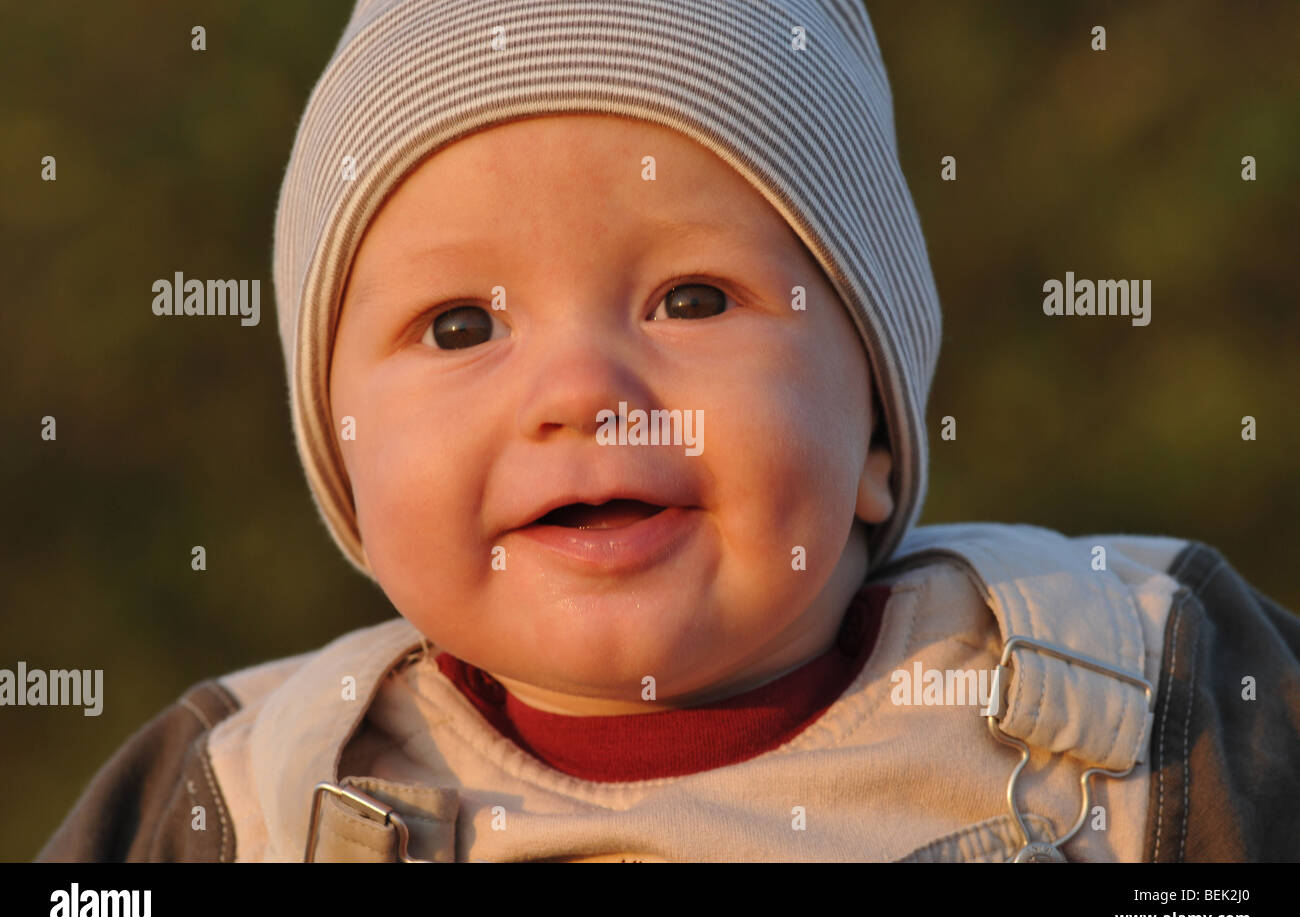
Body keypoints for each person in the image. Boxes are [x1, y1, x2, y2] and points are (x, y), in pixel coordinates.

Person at [37, 0, 1300, 863]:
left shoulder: (1153, 695)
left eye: (692, 299)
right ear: (343, 457)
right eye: (462, 325)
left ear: (873, 430)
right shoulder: (238, 800)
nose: (582, 388)